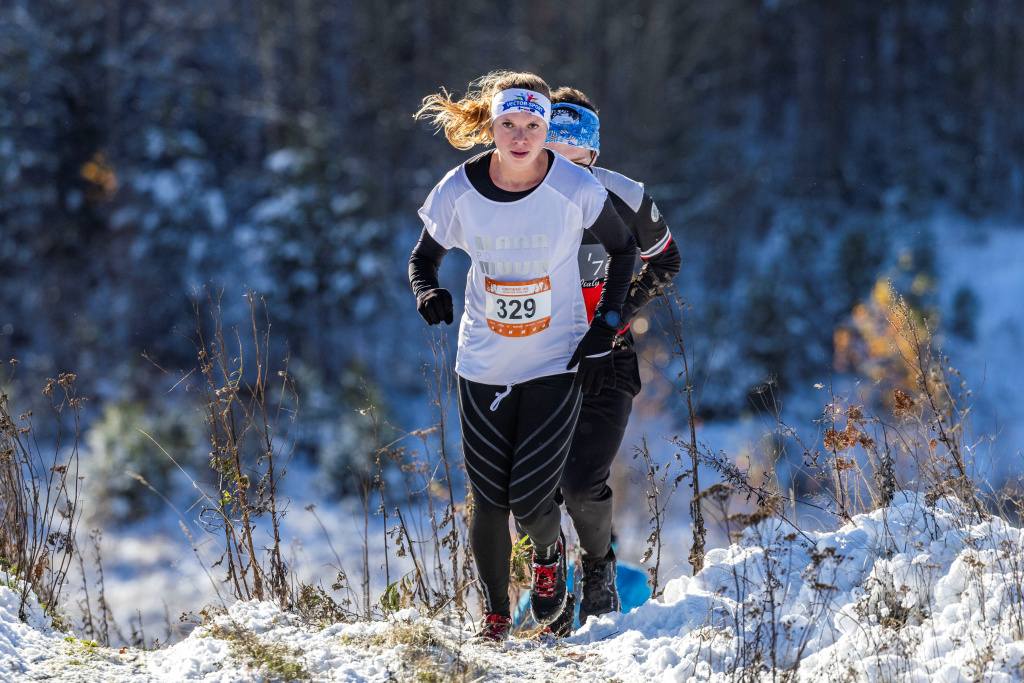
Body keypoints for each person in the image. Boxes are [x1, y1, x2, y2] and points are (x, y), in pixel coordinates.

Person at [408, 71, 637, 641]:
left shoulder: (574, 188)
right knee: (487, 499)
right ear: (491, 124)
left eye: (533, 124)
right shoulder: (458, 189)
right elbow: (423, 257)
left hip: (554, 360)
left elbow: (625, 249)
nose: (520, 135)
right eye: (508, 123)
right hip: (482, 362)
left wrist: (604, 329)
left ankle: (549, 553)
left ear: (545, 127)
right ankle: (494, 617)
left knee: (530, 493)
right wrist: (427, 291)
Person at [544, 87, 681, 627]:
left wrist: (616, 315)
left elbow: (666, 262)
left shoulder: (624, 195)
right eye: (554, 160)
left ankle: (598, 571)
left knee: (582, 482)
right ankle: (547, 581)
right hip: (537, 357)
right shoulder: (516, 195)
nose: (566, 174)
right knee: (537, 488)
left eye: (578, 162)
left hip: (608, 355)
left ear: (593, 159)